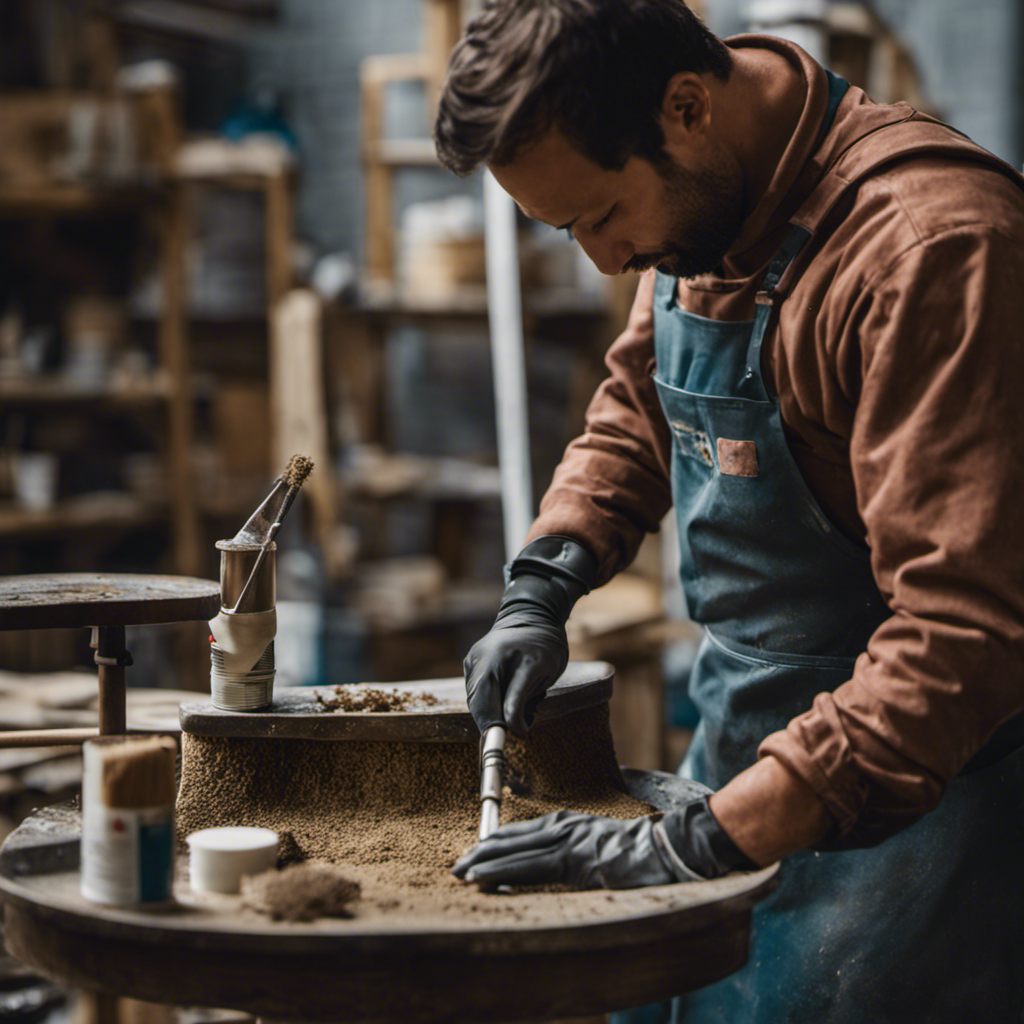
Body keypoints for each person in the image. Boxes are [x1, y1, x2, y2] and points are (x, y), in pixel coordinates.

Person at [433, 1, 1024, 1021]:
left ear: (687, 107)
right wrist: (543, 582)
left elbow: (961, 636)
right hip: (736, 761)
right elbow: (636, 412)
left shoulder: (931, 248)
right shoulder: (699, 212)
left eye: (596, 219)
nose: (604, 260)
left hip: (922, 820)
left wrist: (698, 842)